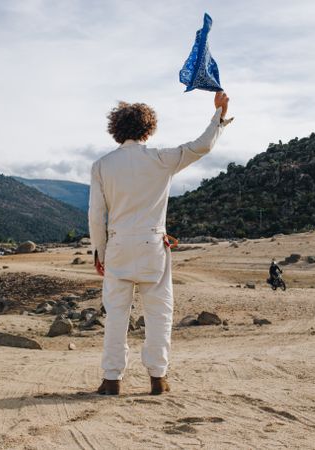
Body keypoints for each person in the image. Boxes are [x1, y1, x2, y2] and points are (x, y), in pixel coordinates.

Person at [89, 91, 231, 395]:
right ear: (148, 129)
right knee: (159, 314)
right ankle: (158, 378)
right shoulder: (161, 159)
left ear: (116, 130)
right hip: (152, 243)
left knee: (116, 315)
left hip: (117, 245)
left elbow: (95, 215)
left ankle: (111, 379)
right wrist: (218, 115)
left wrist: (99, 252)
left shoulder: (102, 166)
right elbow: (202, 146)